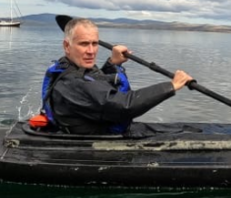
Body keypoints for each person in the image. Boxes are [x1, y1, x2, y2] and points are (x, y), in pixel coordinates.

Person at [32, 17, 193, 135]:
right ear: (67, 46)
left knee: (189, 130)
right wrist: (171, 86)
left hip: (91, 127)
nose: (91, 51)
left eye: (94, 43)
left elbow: (98, 86)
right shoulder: (73, 83)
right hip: (96, 142)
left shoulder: (68, 67)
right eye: (83, 44)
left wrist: (113, 64)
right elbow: (124, 106)